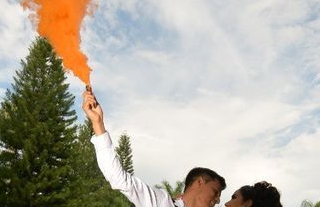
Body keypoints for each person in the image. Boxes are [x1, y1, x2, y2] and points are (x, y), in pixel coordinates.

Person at [82, 88, 226, 207]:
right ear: (199, 182)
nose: (218, 200)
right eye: (215, 192)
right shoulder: (160, 202)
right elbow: (120, 179)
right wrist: (98, 124)